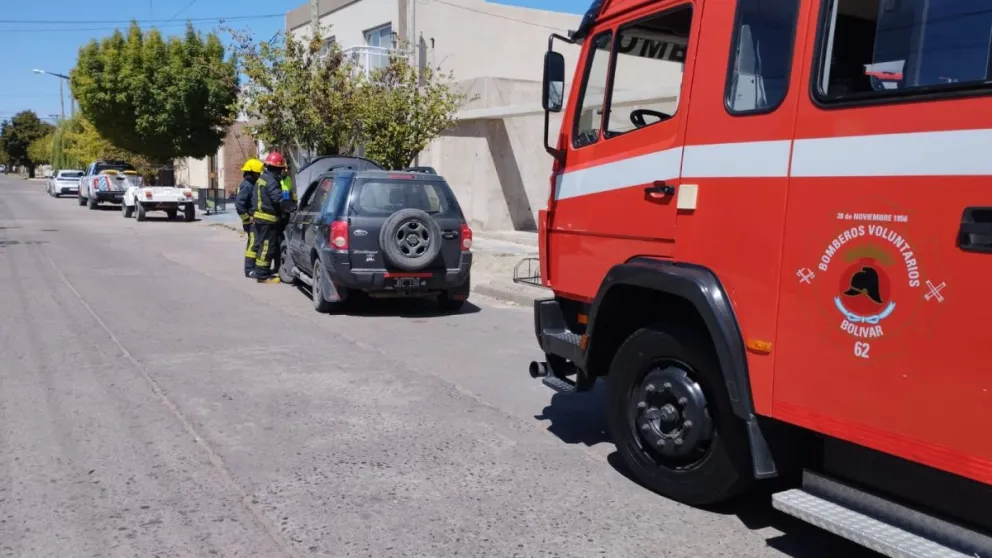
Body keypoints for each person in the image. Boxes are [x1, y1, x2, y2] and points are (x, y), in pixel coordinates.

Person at [250, 152, 292, 283]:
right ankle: (263, 276)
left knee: (263, 245)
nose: (281, 172)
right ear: (277, 168)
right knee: (267, 247)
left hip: (260, 218)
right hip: (268, 219)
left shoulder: (262, 178)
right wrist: (291, 207)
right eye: (280, 169)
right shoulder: (271, 181)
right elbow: (277, 198)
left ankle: (262, 272)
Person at [235, 158, 263, 277]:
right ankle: (249, 269)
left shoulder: (250, 184)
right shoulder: (247, 186)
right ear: (251, 172)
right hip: (250, 221)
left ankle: (254, 267)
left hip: (252, 219)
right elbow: (239, 205)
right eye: (257, 173)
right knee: (253, 244)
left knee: (255, 243)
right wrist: (247, 218)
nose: (259, 175)